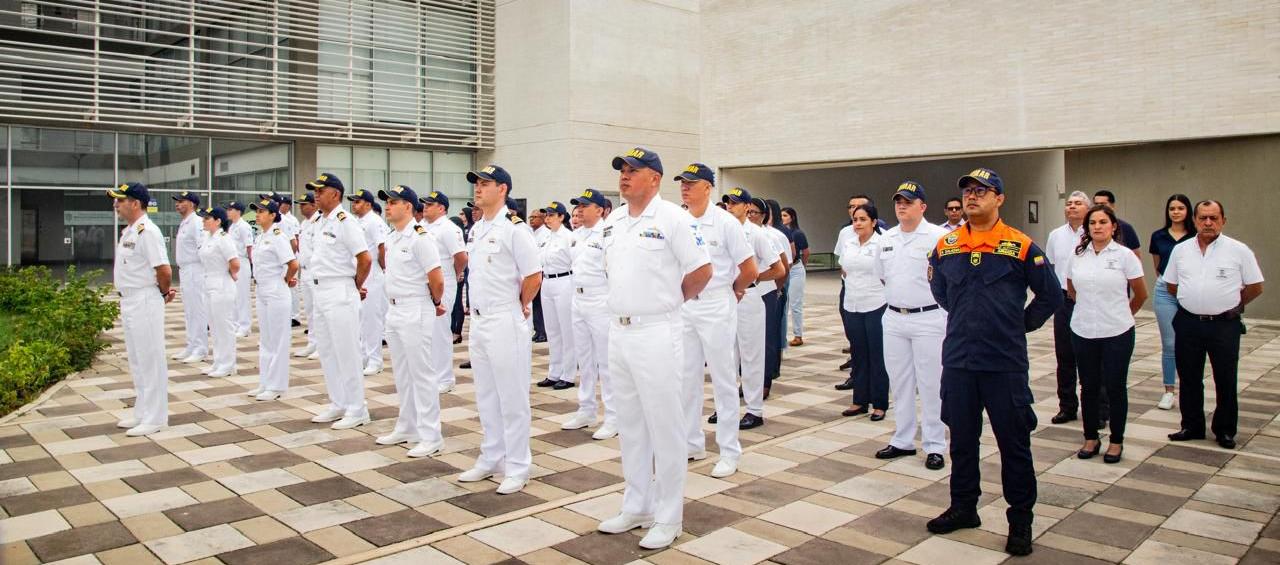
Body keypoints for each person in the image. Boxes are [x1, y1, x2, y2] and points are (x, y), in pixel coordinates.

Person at [927, 167, 1061, 556]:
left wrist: (1017, 326)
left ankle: (1020, 520)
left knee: (1013, 443)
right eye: (968, 190)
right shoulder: (947, 245)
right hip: (959, 360)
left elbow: (1050, 296)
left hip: (1003, 363)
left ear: (999, 199)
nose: (972, 196)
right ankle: (963, 507)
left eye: (982, 191)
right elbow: (940, 290)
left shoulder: (1020, 246)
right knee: (962, 440)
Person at [596, 147, 711, 550]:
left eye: (634, 171)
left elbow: (702, 270)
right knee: (630, 424)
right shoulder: (613, 221)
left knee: (665, 426)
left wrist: (670, 302)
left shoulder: (673, 218)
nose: (625, 176)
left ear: (655, 179)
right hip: (620, 332)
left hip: (657, 332)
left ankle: (668, 517)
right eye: (622, 170)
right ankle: (638, 505)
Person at [456, 164, 542, 494]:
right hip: (479, 321)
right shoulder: (478, 228)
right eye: (476, 183)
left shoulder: (515, 229)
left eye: (486, 183)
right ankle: (492, 455)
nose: (478, 188)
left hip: (505, 319)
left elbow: (534, 274)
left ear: (502, 189)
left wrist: (521, 304)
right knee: (486, 394)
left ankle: (518, 465)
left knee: (512, 396)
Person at [677, 170, 761, 479]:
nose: (685, 189)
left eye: (691, 184)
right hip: (686, 304)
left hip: (716, 303)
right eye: (682, 184)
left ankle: (729, 450)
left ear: (708, 187)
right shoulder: (679, 219)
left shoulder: (726, 222)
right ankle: (691, 442)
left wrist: (735, 290)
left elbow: (749, 269)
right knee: (686, 377)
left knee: (724, 378)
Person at [1165, 200, 1263, 450]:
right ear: (1195, 220)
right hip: (1188, 322)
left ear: (1223, 220)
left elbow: (1255, 287)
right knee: (1189, 377)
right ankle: (1192, 425)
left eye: (1213, 218)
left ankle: (1225, 430)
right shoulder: (1181, 250)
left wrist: (1233, 306)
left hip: (1223, 325)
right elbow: (1172, 285)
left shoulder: (1238, 250)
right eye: (1203, 218)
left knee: (1225, 378)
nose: (1208, 223)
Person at [876, 181, 951, 470]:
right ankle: (902, 439)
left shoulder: (939, 237)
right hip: (894, 317)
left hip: (929, 318)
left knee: (931, 383)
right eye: (898, 201)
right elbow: (882, 275)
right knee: (900, 381)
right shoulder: (887, 238)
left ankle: (934, 445)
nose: (902, 206)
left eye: (908, 201)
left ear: (923, 206)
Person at [1067, 205, 1147, 464]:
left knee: (1114, 386)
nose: (1097, 227)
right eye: (1093, 223)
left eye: (1103, 222)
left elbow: (1140, 293)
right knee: (1088, 386)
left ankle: (1116, 440)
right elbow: (1071, 290)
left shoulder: (1124, 256)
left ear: (1113, 226)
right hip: (1084, 330)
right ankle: (1091, 436)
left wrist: (1121, 315)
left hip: (1117, 331)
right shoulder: (1078, 255)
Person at [376, 186, 447, 457]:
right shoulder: (393, 237)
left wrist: (435, 303)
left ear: (408, 207)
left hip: (415, 308)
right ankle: (407, 426)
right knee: (402, 373)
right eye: (387, 202)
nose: (388, 206)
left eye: (394, 202)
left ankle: (431, 435)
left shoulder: (420, 237)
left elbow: (437, 278)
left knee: (422, 374)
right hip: (394, 311)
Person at [304, 173, 374, 430]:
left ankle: (357, 408)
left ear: (335, 194)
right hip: (321, 291)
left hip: (340, 290)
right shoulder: (320, 221)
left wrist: (354, 285)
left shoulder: (346, 222)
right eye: (315, 191)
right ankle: (339, 402)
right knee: (327, 350)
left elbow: (364, 259)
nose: (316, 195)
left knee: (347, 352)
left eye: (320, 191)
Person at [108, 182, 175, 436]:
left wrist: (161, 293)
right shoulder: (130, 231)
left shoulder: (148, 231)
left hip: (145, 299)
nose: (116, 204)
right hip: (130, 300)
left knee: (150, 358)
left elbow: (164, 270)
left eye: (120, 200)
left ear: (135, 203)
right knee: (137, 359)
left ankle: (157, 417)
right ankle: (143, 411)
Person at [720, 188, 783, 435]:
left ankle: (754, 409)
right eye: (727, 202)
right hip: (726, 297)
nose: (729, 206)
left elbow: (778, 269)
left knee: (751, 355)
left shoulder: (756, 234)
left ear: (747, 207)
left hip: (749, 297)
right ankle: (727, 408)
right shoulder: (722, 230)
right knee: (726, 355)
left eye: (735, 203)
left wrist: (754, 279)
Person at [563, 189, 619, 440]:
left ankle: (614, 416)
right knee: (584, 358)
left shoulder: (609, 234)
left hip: (600, 300)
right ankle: (586, 409)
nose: (580, 210)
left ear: (600, 210)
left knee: (606, 361)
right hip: (578, 298)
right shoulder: (577, 236)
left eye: (586, 206)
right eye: (578, 206)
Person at [1044, 191, 1094, 425]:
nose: (1072, 207)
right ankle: (1067, 406)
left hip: (1088, 300)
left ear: (1088, 208)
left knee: (1091, 357)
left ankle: (1097, 408)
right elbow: (1051, 267)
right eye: (1069, 204)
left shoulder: (1094, 233)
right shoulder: (1056, 235)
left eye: (1078, 204)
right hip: (1063, 300)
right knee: (1064, 356)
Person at [838, 204, 889, 421]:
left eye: (863, 219)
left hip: (876, 303)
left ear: (874, 222)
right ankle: (859, 400)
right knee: (858, 354)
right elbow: (844, 268)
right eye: (855, 219)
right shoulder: (848, 243)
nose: (857, 223)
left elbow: (887, 273)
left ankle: (879, 403)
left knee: (877, 355)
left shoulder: (882, 242)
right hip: (852, 304)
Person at [247, 197, 299, 401]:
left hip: (276, 289)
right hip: (262, 290)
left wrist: (285, 280)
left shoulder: (278, 236)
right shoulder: (260, 237)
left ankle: (276, 386)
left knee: (278, 339)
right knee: (266, 339)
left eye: (261, 211)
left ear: (272, 215)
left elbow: (292, 264)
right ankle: (265, 382)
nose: (257, 214)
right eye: (256, 211)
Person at [1149, 194, 1196, 410]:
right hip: (1165, 291)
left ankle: (1191, 386)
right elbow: (1158, 266)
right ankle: (1169, 390)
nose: (1176, 212)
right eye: (1172, 208)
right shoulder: (1158, 236)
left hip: (1192, 291)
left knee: (1191, 343)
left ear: (1188, 211)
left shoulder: (1195, 237)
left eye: (1180, 208)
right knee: (1170, 343)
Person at [421, 190, 469, 394]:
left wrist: (454, 275)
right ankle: (431, 374)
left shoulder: (448, 228)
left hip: (444, 281)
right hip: (425, 283)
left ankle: (445, 378)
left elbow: (461, 257)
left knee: (440, 332)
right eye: (424, 203)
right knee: (427, 332)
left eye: (430, 204)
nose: (425, 207)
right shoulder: (421, 226)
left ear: (441, 208)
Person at [534, 201, 578, 390]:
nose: (548, 218)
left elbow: (575, 264)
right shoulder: (545, 237)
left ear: (561, 217)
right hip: (547, 282)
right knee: (552, 331)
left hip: (564, 282)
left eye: (552, 215)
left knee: (566, 331)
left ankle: (568, 375)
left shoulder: (569, 237)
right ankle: (554, 372)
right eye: (547, 215)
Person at [346, 189, 389, 376]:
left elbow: (382, 249)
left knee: (372, 318)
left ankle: (375, 359)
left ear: (369, 204)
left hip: (373, 275)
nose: (354, 204)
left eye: (358, 201)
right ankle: (363, 355)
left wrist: (382, 270)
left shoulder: (374, 222)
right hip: (360, 273)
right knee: (361, 318)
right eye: (353, 201)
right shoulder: (356, 222)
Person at [751, 198, 791, 401]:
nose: (750, 216)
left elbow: (784, 265)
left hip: (766, 292)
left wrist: (776, 288)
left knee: (767, 340)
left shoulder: (773, 236)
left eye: (754, 213)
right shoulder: (738, 233)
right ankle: (749, 381)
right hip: (745, 296)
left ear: (764, 215)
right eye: (747, 212)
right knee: (746, 342)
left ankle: (765, 381)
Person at [195, 207, 242, 378]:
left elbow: (235, 263)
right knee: (214, 327)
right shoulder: (208, 237)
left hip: (222, 283)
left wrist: (228, 274)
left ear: (218, 221)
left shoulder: (224, 238)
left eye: (207, 218)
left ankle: (228, 364)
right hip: (209, 283)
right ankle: (218, 362)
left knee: (224, 326)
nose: (203, 220)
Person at [835, 194, 878, 379]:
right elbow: (842, 262)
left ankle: (877, 399)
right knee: (856, 342)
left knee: (874, 348)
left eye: (860, 211)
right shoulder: (846, 234)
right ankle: (858, 388)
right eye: (851, 208)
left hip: (874, 300)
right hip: (850, 294)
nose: (857, 218)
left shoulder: (882, 239)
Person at [171, 190, 208, 364]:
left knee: (197, 309)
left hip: (196, 269)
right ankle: (191, 345)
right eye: (177, 201)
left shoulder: (197, 222)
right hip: (185, 270)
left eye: (182, 201)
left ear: (192, 204)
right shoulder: (185, 223)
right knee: (189, 310)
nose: (178, 204)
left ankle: (200, 348)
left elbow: (203, 247)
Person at [294, 193, 322, 359]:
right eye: (300, 204)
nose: (301, 207)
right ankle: (312, 342)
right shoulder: (304, 223)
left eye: (305, 204)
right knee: (310, 311)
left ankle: (321, 344)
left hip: (315, 271)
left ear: (314, 205)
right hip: (304, 271)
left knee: (319, 310)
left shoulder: (319, 222)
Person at [225, 201, 254, 338]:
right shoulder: (232, 227)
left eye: (231, 209)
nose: (228, 211)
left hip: (242, 262)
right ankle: (236, 324)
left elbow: (249, 247)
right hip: (234, 262)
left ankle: (245, 326)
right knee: (234, 296)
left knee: (242, 296)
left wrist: (253, 265)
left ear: (238, 211)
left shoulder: (244, 226)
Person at [781, 207, 809, 346]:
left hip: (796, 268)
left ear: (792, 217)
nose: (782, 217)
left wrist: (801, 265)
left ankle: (798, 335)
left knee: (795, 303)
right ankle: (782, 336)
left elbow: (806, 251)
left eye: (785, 215)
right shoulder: (779, 232)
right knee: (783, 304)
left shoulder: (798, 233)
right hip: (784, 268)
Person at [1092, 190, 1141, 256]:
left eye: (1103, 204)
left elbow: (1136, 256)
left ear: (1112, 206)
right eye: (1096, 204)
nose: (1098, 207)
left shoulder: (1125, 228)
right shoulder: (1090, 227)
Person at [529, 207, 550, 343]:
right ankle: (538, 330)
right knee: (535, 304)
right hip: (532, 272)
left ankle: (544, 331)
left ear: (542, 219)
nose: (531, 220)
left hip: (542, 272)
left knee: (541, 305)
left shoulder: (546, 234)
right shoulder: (531, 233)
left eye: (534, 217)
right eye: (530, 217)